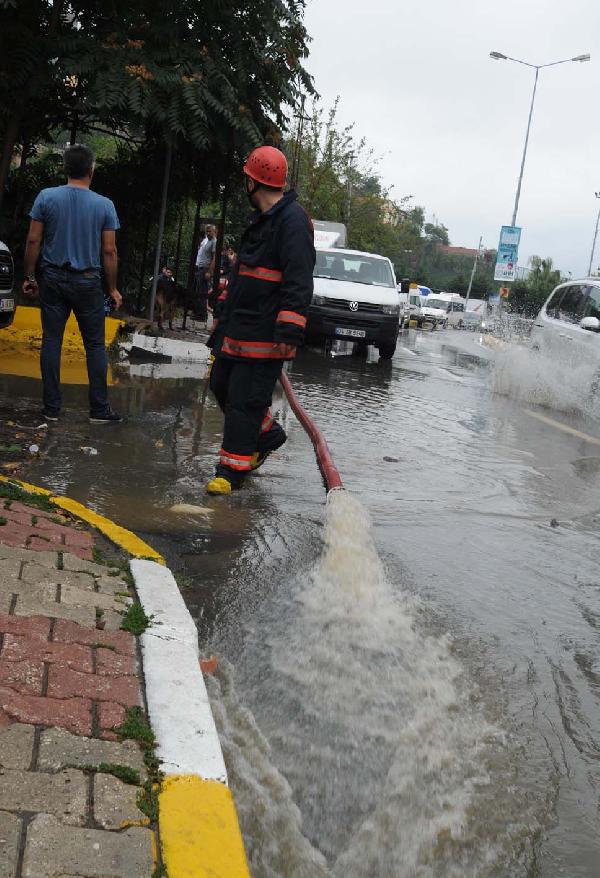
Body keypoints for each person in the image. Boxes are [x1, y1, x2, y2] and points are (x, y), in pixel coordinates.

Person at [206, 145, 315, 495]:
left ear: (253, 183)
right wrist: (221, 312)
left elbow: (299, 278)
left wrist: (289, 327)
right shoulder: (262, 221)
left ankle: (230, 473)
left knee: (244, 400)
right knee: (220, 384)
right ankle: (266, 433)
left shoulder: (294, 221)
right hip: (239, 325)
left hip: (267, 332)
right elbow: (244, 273)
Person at [22, 143, 122, 423]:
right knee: (94, 346)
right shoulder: (104, 205)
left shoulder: (46, 197)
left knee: (52, 340)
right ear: (91, 171)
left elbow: (33, 240)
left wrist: (30, 276)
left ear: (66, 169)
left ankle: (51, 410)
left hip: (52, 278)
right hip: (88, 282)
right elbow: (109, 251)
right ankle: (99, 411)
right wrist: (112, 288)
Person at [194, 224, 216, 322]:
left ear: (214, 231)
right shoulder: (206, 240)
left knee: (202, 292)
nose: (208, 233)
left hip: (205, 269)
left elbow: (214, 258)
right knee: (199, 291)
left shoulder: (214, 242)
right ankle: (198, 313)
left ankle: (201, 315)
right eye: (207, 231)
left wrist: (209, 271)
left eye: (210, 231)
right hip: (199, 267)